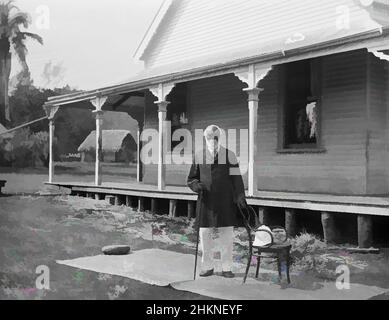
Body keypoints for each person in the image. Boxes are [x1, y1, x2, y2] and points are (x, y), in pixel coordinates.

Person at [187, 125, 247, 278]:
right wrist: (196, 185)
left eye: (215, 138)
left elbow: (237, 179)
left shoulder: (230, 155)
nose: (212, 141)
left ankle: (226, 267)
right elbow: (191, 178)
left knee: (226, 236)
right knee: (206, 236)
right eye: (209, 138)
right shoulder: (199, 156)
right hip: (206, 203)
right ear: (205, 138)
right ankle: (207, 267)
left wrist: (240, 196)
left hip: (225, 203)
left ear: (219, 138)